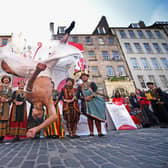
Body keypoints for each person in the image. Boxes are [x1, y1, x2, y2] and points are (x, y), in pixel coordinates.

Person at [0, 21, 81, 138]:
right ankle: (67, 33)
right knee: (59, 51)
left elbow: (30, 83)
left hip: (33, 71)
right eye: (39, 116)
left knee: (7, 69)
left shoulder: (29, 98)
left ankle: (13, 46)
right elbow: (53, 117)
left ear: (32, 112)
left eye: (34, 115)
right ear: (43, 112)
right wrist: (37, 128)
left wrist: (37, 70)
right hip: (47, 70)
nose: (36, 115)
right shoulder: (47, 102)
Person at [76, 72, 106, 137]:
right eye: (82, 77)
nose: (84, 77)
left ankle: (99, 132)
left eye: (85, 76)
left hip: (94, 102)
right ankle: (91, 132)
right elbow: (77, 95)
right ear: (81, 78)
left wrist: (90, 96)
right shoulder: (80, 86)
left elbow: (95, 91)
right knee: (89, 118)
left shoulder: (92, 84)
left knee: (97, 118)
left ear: (87, 77)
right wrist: (84, 98)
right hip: (86, 103)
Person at [0, 75, 12, 142]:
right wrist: (1, 98)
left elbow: (11, 97)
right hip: (0, 103)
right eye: (5, 79)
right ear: (3, 80)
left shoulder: (10, 88)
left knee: (4, 119)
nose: (6, 80)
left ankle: (2, 135)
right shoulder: (0, 86)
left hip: (6, 105)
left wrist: (7, 100)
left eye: (7, 79)